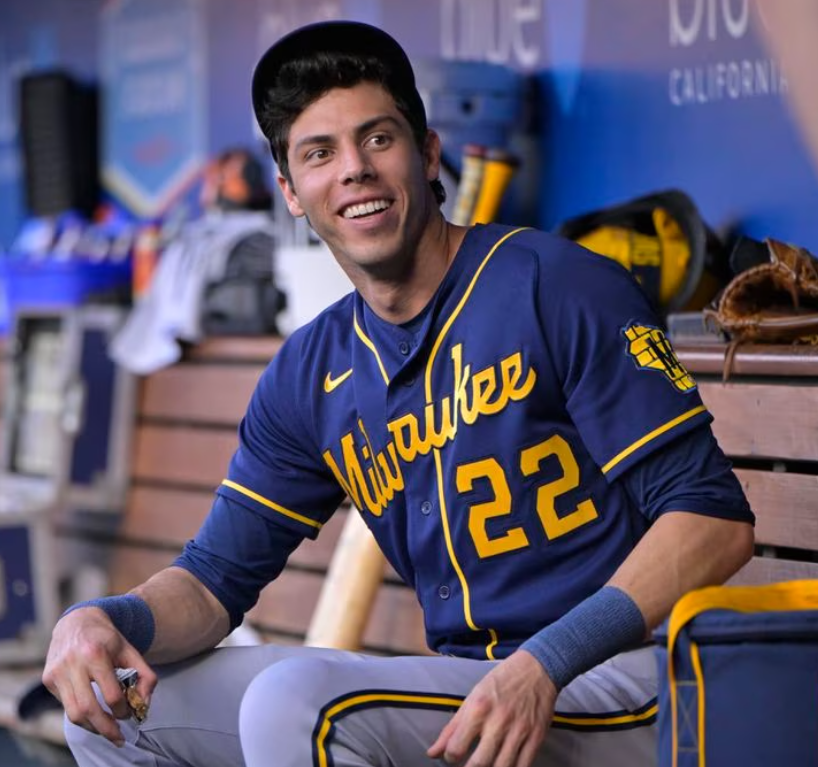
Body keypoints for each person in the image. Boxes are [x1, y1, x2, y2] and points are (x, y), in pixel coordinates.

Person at [43, 20, 755, 767]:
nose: (354, 170)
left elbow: (712, 519)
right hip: (468, 692)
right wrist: (100, 617)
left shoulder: (552, 283)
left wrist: (545, 662)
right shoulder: (311, 370)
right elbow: (215, 580)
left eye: (378, 139)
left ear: (427, 153)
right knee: (113, 710)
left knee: (296, 704)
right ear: (290, 190)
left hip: (622, 679)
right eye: (320, 153)